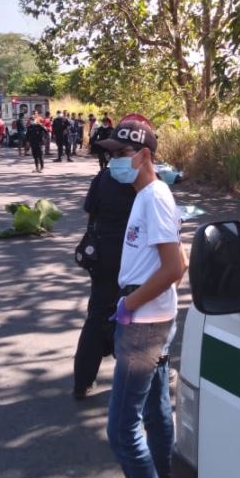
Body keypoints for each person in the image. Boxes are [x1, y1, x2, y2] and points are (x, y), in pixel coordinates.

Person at [97, 115, 186, 478]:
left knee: (121, 431)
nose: (114, 160)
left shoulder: (155, 198)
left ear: (145, 154)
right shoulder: (145, 195)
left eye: (123, 152)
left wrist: (128, 305)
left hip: (143, 323)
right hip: (148, 316)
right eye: (111, 153)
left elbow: (175, 267)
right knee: (155, 413)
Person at [73, 164, 137, 399]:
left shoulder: (103, 177)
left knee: (97, 314)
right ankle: (135, 377)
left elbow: (90, 212)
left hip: (101, 254)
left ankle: (82, 381)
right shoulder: (147, 181)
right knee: (135, 317)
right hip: (133, 257)